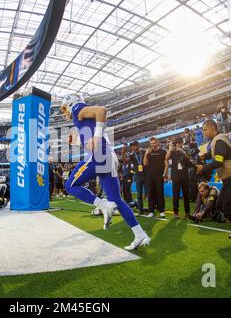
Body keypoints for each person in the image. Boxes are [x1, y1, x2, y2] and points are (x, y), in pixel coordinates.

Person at [60, 93, 150, 251]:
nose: (64, 112)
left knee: (70, 185)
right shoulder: (82, 118)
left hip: (99, 155)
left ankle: (102, 205)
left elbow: (101, 110)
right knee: (117, 200)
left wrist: (96, 137)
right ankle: (140, 233)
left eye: (64, 107)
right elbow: (91, 137)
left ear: (71, 103)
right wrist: (78, 140)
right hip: (108, 155)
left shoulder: (77, 109)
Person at [196, 120, 231, 239]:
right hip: (230, 179)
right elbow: (213, 154)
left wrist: (202, 168)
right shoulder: (217, 141)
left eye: (205, 130)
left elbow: (218, 161)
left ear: (212, 128)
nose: (204, 133)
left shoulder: (219, 140)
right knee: (220, 205)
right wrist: (204, 156)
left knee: (226, 207)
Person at [166, 137, 191, 219]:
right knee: (175, 195)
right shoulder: (172, 152)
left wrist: (183, 152)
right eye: (177, 142)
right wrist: (170, 148)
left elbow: (190, 161)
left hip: (185, 176)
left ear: (182, 143)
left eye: (180, 142)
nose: (179, 144)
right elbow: (166, 158)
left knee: (186, 195)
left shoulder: (186, 150)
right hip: (176, 177)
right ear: (175, 144)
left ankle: (187, 213)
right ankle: (176, 213)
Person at [143, 137, 168, 218]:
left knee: (160, 193)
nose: (152, 145)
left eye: (154, 143)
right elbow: (145, 164)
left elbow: (166, 164)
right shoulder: (148, 152)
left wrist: (164, 174)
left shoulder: (163, 151)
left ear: (157, 142)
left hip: (159, 176)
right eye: (151, 144)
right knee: (150, 194)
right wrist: (146, 154)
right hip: (149, 176)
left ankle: (161, 211)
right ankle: (151, 211)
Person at [129, 140, 146, 214]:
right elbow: (126, 161)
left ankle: (153, 208)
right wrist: (123, 154)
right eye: (131, 146)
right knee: (139, 194)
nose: (132, 147)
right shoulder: (132, 155)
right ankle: (140, 210)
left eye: (133, 145)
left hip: (146, 175)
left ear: (137, 145)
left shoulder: (144, 151)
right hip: (138, 176)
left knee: (149, 193)